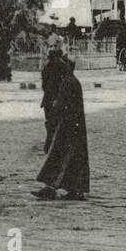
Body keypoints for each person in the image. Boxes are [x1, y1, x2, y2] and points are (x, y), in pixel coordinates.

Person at [33, 57, 90, 200]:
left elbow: (60, 104)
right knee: (74, 159)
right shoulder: (74, 81)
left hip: (66, 126)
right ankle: (75, 189)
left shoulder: (67, 82)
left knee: (58, 156)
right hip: (75, 126)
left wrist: (52, 116)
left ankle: (51, 188)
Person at [39, 39, 69, 154]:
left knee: (50, 122)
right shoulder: (61, 66)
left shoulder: (46, 67)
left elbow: (44, 85)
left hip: (48, 99)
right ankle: (53, 145)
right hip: (57, 98)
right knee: (57, 122)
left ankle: (49, 145)